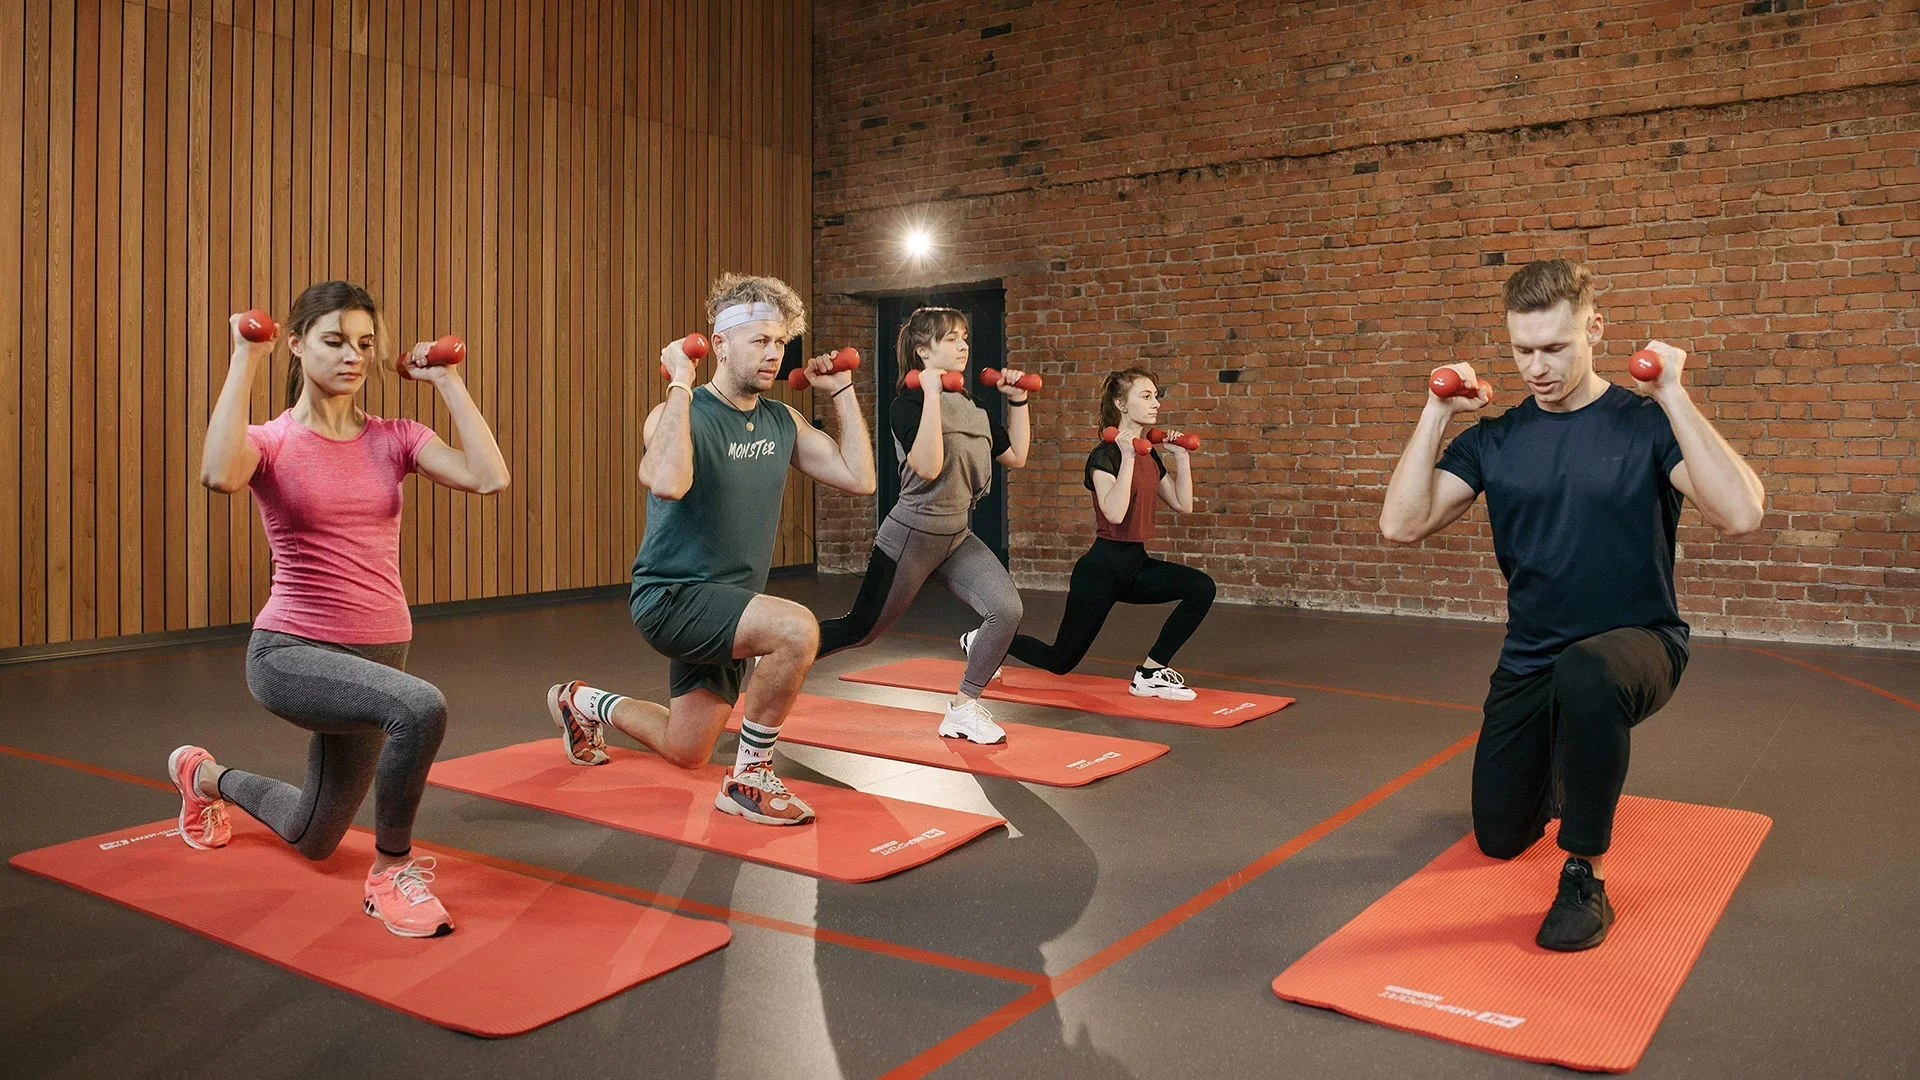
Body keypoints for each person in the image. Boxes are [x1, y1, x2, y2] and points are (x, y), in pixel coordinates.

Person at [1378, 258, 1765, 951]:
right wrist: (1436, 412)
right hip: (1532, 657)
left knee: (1589, 673)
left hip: (1638, 644)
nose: (1537, 367)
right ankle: (1564, 761)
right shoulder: (1497, 440)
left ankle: (1585, 873)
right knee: (1499, 838)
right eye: (1523, 350)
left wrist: (1673, 396)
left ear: (1595, 328)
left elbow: (1740, 513)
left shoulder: (1642, 427)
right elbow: (1402, 525)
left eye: (1554, 347)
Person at [170, 280, 511, 938]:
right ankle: (391, 874)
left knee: (314, 835)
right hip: (292, 653)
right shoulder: (271, 441)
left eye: (363, 344)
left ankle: (204, 776)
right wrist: (245, 357)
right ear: (296, 345)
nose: (352, 356)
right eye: (333, 342)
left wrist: (445, 381)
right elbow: (218, 472)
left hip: (380, 654)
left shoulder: (397, 437)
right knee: (421, 706)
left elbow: (489, 476)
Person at [545, 274, 876, 826]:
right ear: (719, 344)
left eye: (779, 343)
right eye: (758, 341)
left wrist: (840, 390)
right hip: (672, 596)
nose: (773, 355)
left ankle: (579, 701)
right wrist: (679, 382)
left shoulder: (781, 420)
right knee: (796, 630)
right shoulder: (678, 413)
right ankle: (749, 778)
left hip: (727, 604)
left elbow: (858, 477)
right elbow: (670, 482)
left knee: (687, 748)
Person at [815, 307, 1032, 744]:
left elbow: (1016, 456)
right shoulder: (907, 404)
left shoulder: (973, 406)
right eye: (952, 338)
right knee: (861, 630)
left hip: (956, 536)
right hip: (911, 537)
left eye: (965, 337)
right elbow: (928, 467)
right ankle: (779, 650)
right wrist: (932, 395)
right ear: (922, 350)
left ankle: (964, 708)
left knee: (1007, 610)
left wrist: (1018, 400)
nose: (964, 345)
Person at [1006, 368, 1215, 700]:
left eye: (1156, 396)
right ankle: (985, 641)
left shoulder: (1150, 453)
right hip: (1101, 572)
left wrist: (1181, 458)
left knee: (1201, 588)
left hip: (1135, 566)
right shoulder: (1103, 456)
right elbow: (1114, 514)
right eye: (1146, 396)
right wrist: (1129, 457)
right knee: (1060, 660)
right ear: (1121, 403)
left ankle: (1150, 673)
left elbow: (1182, 504)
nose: (1156, 403)